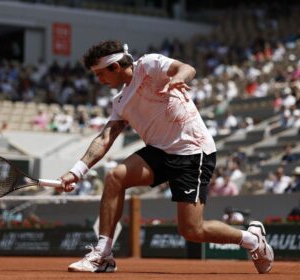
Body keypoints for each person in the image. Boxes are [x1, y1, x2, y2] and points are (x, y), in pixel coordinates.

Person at [57, 40, 273, 273]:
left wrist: (179, 77)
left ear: (116, 67)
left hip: (192, 151)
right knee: (114, 177)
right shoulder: (120, 101)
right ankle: (103, 254)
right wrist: (77, 171)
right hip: (159, 152)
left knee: (192, 230)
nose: (99, 80)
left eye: (100, 74)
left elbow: (187, 68)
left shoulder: (149, 65)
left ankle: (252, 239)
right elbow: (105, 138)